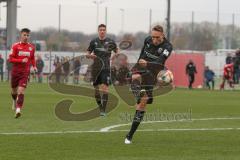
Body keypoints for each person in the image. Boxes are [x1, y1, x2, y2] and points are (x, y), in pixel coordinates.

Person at [124, 25, 172, 144]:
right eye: (153, 37)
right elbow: (141, 55)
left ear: (163, 35)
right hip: (140, 68)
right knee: (135, 77)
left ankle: (129, 135)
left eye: (157, 37)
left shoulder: (167, 46)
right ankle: (137, 93)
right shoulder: (147, 40)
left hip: (153, 72)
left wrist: (147, 63)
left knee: (142, 104)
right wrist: (137, 65)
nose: (154, 40)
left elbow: (160, 61)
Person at [86, 24, 118, 116]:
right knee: (96, 90)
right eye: (101, 30)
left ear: (106, 31)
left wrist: (114, 56)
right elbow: (87, 53)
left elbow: (117, 51)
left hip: (106, 68)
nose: (102, 31)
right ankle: (100, 107)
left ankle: (103, 110)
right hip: (96, 68)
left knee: (105, 88)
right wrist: (90, 55)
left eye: (104, 30)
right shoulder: (94, 42)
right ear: (98, 31)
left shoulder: (110, 42)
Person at [9, 28, 37, 118]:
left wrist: (34, 66)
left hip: (25, 73)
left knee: (21, 91)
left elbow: (32, 58)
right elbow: (11, 59)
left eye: (28, 35)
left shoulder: (31, 47)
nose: (26, 37)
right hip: (15, 72)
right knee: (14, 91)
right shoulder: (15, 46)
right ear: (21, 35)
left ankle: (18, 110)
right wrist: (21, 60)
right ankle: (14, 101)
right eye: (24, 35)